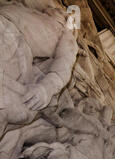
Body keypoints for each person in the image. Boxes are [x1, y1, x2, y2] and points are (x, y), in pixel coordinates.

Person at [0, 1, 77, 137]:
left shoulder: (65, 34)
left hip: (14, 48)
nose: (60, 10)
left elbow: (65, 63)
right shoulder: (24, 9)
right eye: (59, 8)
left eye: (65, 13)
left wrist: (46, 88)